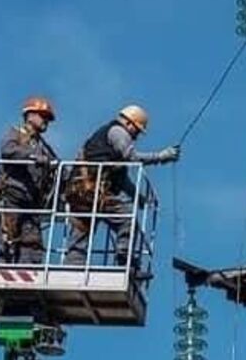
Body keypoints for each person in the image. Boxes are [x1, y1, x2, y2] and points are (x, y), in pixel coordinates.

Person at [64, 104, 179, 268]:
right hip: (93, 191)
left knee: (81, 231)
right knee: (127, 221)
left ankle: (72, 267)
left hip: (80, 191)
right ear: (130, 123)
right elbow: (132, 157)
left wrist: (137, 197)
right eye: (137, 131)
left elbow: (121, 178)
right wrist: (161, 157)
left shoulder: (108, 142)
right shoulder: (118, 132)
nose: (136, 136)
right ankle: (125, 262)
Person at [0, 96, 60, 265]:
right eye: (42, 115)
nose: (46, 121)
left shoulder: (43, 146)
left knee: (32, 246)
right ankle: (2, 279)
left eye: (47, 118)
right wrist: (31, 156)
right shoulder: (15, 133)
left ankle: (28, 278)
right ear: (30, 115)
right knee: (7, 243)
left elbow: (57, 166)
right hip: (11, 196)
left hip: (31, 203)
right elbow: (8, 151)